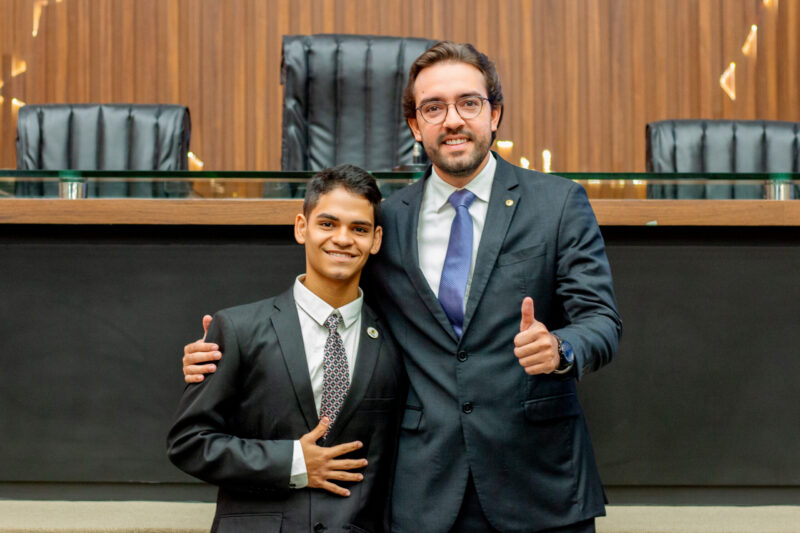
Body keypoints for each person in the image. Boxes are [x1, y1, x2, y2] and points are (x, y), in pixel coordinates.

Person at [183, 41, 621, 533]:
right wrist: (227, 349)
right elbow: (333, 312)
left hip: (540, 478)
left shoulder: (558, 203)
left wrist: (560, 347)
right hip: (424, 486)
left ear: (494, 114)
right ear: (416, 126)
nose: (451, 119)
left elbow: (601, 320)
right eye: (433, 107)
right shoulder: (384, 222)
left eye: (468, 103)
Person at [168, 165, 405, 533]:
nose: (343, 239)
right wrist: (294, 462)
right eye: (328, 224)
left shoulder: (396, 340)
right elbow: (189, 443)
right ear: (301, 228)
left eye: (358, 229)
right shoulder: (238, 329)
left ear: (375, 240)